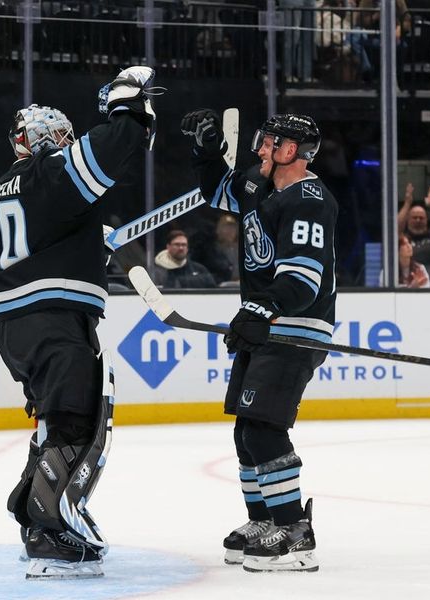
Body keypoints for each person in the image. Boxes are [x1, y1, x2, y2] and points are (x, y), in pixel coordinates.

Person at [0, 66, 157, 580]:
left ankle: (38, 519)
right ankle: (49, 532)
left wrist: (87, 245)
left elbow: (47, 237)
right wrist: (126, 103)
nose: (68, 143)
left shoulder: (6, 185)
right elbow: (113, 146)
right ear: (41, 141)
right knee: (79, 423)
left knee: (54, 423)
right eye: (60, 137)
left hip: (21, 326)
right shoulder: (48, 174)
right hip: (54, 322)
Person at [181, 109, 336, 573]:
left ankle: (294, 531)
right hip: (266, 325)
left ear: (291, 151)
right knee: (245, 432)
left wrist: (260, 308)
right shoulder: (258, 186)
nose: (261, 148)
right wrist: (206, 153)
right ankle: (263, 518)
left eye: (270, 143)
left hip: (295, 327)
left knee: (263, 428)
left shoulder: (310, 198)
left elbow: (303, 278)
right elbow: (217, 192)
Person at [397, 182, 430, 266]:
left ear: (426, 220)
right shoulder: (404, 237)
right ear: (408, 219)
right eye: (414, 217)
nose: (418, 220)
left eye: (421, 217)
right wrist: (407, 204)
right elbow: (395, 229)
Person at [152, 229, 217, 289]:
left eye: (184, 245)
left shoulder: (199, 269)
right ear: (168, 246)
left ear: (187, 248)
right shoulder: (157, 271)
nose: (181, 248)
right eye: (177, 244)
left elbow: (213, 289)